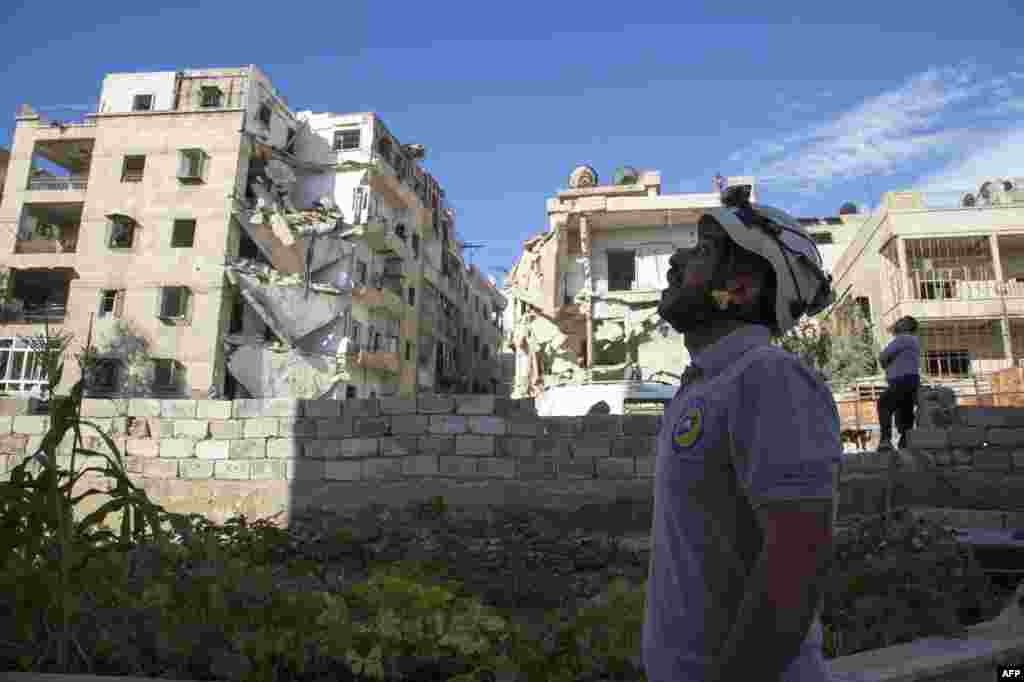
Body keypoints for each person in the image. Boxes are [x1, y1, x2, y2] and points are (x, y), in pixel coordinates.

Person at [644, 184, 840, 682]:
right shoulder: (707, 384)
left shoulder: (768, 377)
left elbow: (796, 566)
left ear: (745, 288)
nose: (676, 261)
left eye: (704, 251)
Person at [876, 316, 921, 451]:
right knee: (904, 410)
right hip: (911, 380)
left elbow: (883, 356)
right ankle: (905, 442)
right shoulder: (913, 341)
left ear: (906, 327)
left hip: (901, 380)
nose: (897, 323)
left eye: (901, 322)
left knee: (884, 404)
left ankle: (885, 440)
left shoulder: (902, 339)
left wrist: (886, 364)